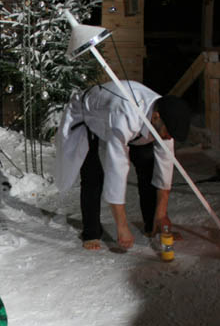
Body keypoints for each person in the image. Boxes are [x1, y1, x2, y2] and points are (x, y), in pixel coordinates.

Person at [54, 80, 191, 251]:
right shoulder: (125, 115)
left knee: (147, 166)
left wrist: (162, 213)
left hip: (128, 124)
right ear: (156, 118)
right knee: (93, 176)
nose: (169, 138)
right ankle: (91, 231)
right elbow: (116, 169)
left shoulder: (164, 115)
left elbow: (165, 164)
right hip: (88, 115)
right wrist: (122, 226)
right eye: (167, 134)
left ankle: (152, 225)